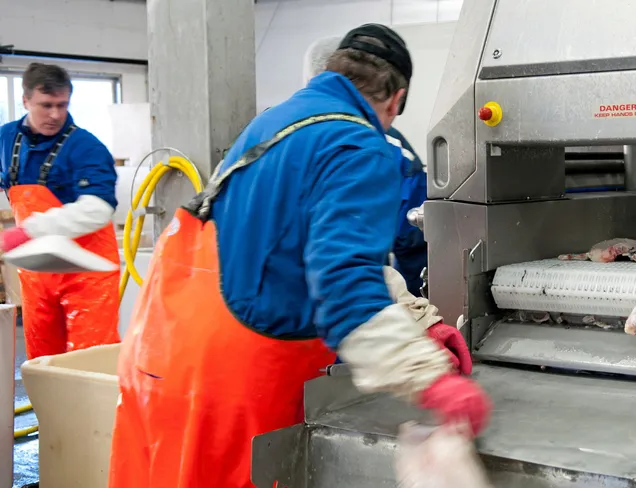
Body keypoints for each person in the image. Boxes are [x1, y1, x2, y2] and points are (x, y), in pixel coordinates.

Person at [108, 24, 491, 488]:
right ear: (395, 99)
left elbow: (307, 250)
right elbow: (343, 283)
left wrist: (418, 319)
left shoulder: (273, 123)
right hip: (237, 376)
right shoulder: (360, 147)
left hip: (162, 355)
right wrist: (431, 380)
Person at [0, 63, 120, 359]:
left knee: (89, 362)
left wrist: (27, 231)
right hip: (37, 273)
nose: (55, 114)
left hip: (87, 276)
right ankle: (47, 408)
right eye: (46, 105)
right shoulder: (5, 139)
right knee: (43, 360)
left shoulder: (86, 148)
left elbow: (97, 209)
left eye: (62, 105)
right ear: (26, 101)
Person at [305, 36, 428, 296]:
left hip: (226, 314)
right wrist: (420, 315)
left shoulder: (267, 129)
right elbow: (414, 242)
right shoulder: (387, 152)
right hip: (335, 317)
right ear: (395, 101)